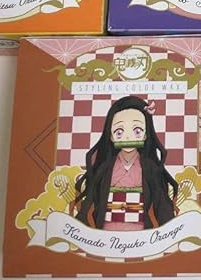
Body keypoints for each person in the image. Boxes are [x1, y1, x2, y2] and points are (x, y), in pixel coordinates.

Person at [74, 96, 177, 231]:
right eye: (119, 132)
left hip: (142, 234)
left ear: (146, 134)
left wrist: (170, 228)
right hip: (107, 232)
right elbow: (91, 199)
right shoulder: (105, 167)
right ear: (111, 136)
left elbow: (161, 202)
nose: (128, 137)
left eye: (137, 131)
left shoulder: (150, 168)